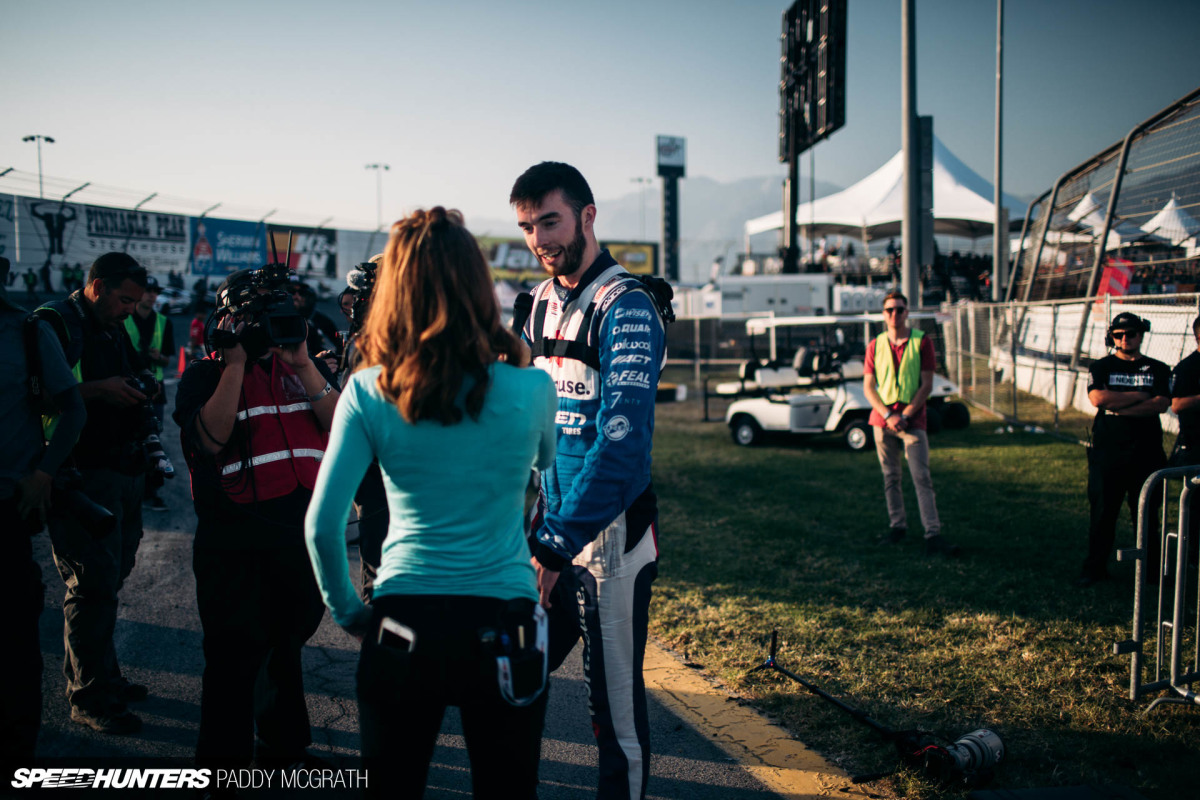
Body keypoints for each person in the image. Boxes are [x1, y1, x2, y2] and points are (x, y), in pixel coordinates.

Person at [305, 207, 556, 798]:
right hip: (504, 621)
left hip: (403, 620)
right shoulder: (534, 386)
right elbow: (545, 461)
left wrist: (351, 614)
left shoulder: (367, 390)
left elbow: (321, 526)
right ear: (478, 284)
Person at [511, 162, 666, 800]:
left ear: (587, 216)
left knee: (613, 719)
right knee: (509, 679)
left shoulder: (626, 306)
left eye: (550, 222)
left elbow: (620, 448)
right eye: (527, 227)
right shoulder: (535, 303)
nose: (540, 240)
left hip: (609, 540)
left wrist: (555, 543)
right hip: (549, 531)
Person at [173, 264, 338, 770]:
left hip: (298, 533)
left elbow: (342, 426)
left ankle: (284, 748)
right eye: (258, 312)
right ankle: (221, 766)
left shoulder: (304, 369)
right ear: (230, 318)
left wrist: (303, 364)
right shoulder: (205, 374)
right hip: (234, 539)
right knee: (232, 655)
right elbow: (210, 439)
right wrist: (235, 365)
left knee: (285, 645)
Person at [36, 252, 151, 735]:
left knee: (110, 578)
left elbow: (133, 373)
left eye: (136, 302)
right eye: (124, 300)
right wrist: (99, 390)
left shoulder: (110, 326)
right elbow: (35, 395)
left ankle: (105, 676)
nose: (131, 310)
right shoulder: (54, 324)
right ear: (98, 286)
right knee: (90, 584)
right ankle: (89, 696)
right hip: (78, 475)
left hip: (121, 470)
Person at [0, 256, 86, 767]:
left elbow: (73, 407)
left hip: (6, 515)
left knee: (12, 648)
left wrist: (45, 473)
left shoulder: (27, 332)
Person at [863, 290, 960, 556]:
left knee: (922, 477)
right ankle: (898, 527)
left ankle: (932, 533)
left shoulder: (921, 341)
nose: (894, 314)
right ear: (883, 315)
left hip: (912, 420)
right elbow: (869, 387)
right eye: (889, 310)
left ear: (907, 313)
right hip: (883, 420)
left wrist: (905, 415)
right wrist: (888, 415)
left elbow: (926, 384)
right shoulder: (875, 345)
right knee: (890, 477)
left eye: (899, 309)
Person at [1082, 312, 1170, 586]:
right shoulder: (1101, 366)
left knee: (1146, 513)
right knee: (1103, 512)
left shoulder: (1158, 368)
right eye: (1118, 335)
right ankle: (1094, 569)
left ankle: (1150, 572)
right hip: (1108, 452)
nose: (1124, 339)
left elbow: (1160, 404)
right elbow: (1098, 398)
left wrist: (1118, 404)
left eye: (1130, 334)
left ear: (1140, 335)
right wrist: (1139, 396)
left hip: (1146, 451)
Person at [124, 275, 175, 512]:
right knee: (127, 439)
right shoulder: (123, 318)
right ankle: (128, 490)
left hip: (155, 391)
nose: (152, 295)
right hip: (128, 388)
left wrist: (158, 357)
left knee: (153, 442)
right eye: (148, 291)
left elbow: (167, 360)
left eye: (155, 292)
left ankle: (150, 491)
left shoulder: (164, 322)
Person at [1168, 315, 1200, 566]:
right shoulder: (1187, 368)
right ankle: (1192, 557)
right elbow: (1176, 404)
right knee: (1195, 508)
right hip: (1195, 446)